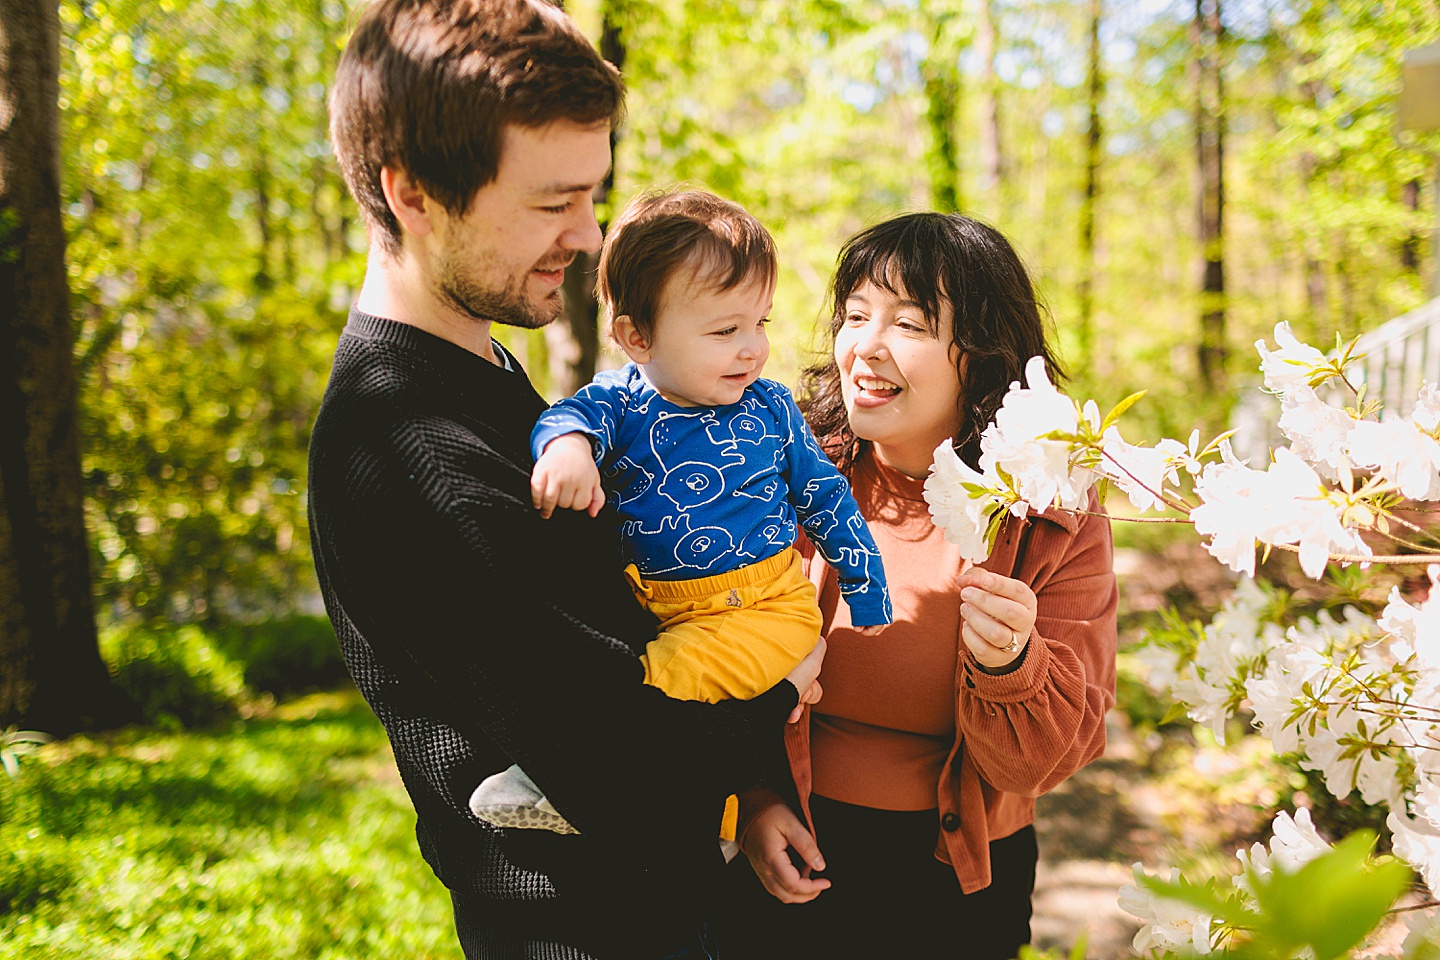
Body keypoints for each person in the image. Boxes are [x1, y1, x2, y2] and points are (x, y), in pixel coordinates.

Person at [307, 3, 823, 958]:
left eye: (592, 195)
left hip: (658, 902)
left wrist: (750, 789)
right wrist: (784, 690)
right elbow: (612, 759)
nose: (588, 237)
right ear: (413, 193)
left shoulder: (483, 373)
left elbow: (614, 626)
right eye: (553, 202)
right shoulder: (410, 447)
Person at [720, 212, 1119, 960]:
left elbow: (1048, 761)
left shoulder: (1051, 510)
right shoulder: (783, 471)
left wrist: (1012, 667)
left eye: (908, 323)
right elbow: (704, 650)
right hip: (793, 848)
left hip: (959, 888)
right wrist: (754, 801)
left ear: (983, 356)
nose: (865, 347)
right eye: (855, 315)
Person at [468, 189, 892, 845]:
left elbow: (825, 498)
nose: (752, 348)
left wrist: (865, 586)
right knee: (653, 683)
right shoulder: (620, 402)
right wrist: (567, 450)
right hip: (662, 602)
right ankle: (717, 816)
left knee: (662, 682)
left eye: (761, 324)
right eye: (726, 330)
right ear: (637, 336)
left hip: (767, 608)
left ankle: (563, 783)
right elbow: (564, 417)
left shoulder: (771, 409)